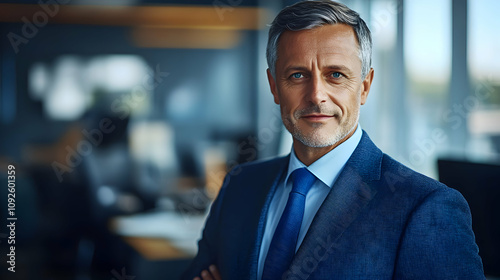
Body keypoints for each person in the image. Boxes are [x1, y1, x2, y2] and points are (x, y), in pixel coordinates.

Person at [182, 1, 485, 279]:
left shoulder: (425, 207)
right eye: (297, 75)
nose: (316, 95)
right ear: (274, 86)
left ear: (364, 87)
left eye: (336, 75)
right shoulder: (239, 185)